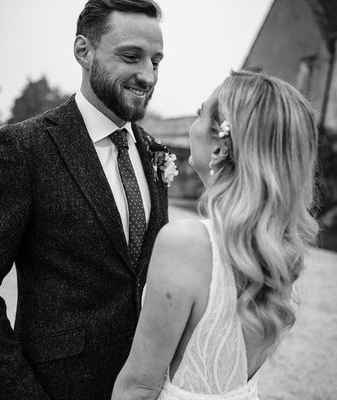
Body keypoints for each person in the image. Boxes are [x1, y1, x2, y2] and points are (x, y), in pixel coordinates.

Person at [0, 0, 169, 399]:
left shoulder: (153, 152)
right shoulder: (25, 148)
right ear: (83, 51)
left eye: (156, 61)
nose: (147, 75)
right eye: (130, 57)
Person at [112, 70, 319, 400]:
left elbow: (138, 388)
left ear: (221, 146)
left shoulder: (186, 243)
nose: (193, 126)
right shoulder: (277, 250)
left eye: (200, 113)